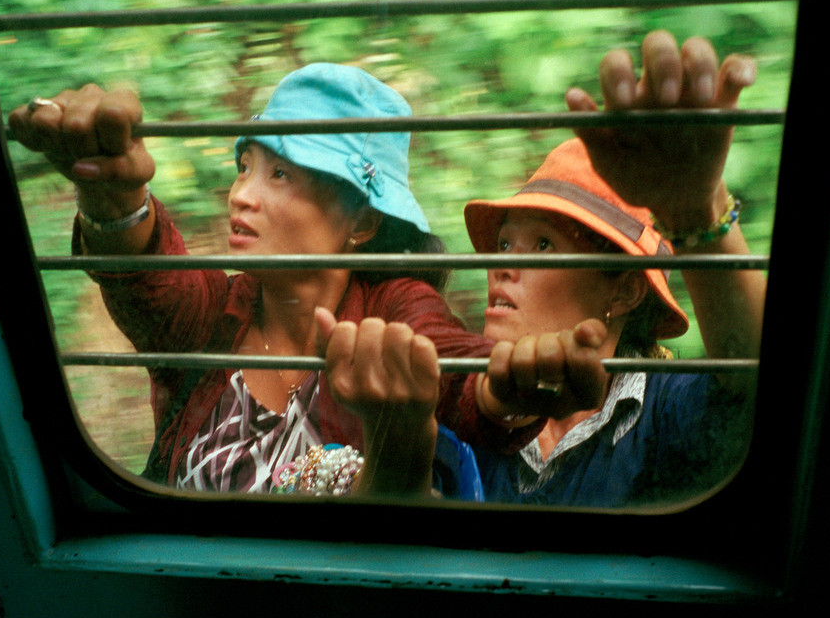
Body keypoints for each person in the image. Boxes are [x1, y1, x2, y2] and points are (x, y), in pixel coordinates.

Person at [8, 63, 533, 498]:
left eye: (280, 174)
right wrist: (115, 197)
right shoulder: (213, 314)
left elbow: (450, 366)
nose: (240, 194)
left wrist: (508, 388)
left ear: (362, 223)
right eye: (245, 165)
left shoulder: (394, 306)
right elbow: (149, 281)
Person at [325, 32, 767, 510]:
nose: (502, 267)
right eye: (502, 244)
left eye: (541, 244)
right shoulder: (460, 409)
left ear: (624, 291)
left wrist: (697, 215)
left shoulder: (664, 413)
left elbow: (755, 387)